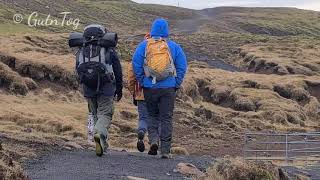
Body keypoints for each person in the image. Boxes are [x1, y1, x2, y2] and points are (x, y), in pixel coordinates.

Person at [132, 19, 187, 158]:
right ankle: (166, 150)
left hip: (150, 88)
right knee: (166, 118)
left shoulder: (144, 45)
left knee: (152, 116)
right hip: (168, 88)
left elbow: (136, 64)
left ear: (152, 30)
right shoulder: (173, 46)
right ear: (166, 30)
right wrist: (176, 82)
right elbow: (182, 66)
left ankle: (154, 141)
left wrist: (143, 81)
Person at [73, 24, 123, 156]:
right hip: (106, 87)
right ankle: (99, 134)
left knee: (95, 114)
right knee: (105, 114)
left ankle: (102, 144)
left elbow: (77, 69)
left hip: (88, 88)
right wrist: (119, 89)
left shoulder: (81, 50)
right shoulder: (108, 49)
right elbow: (118, 70)